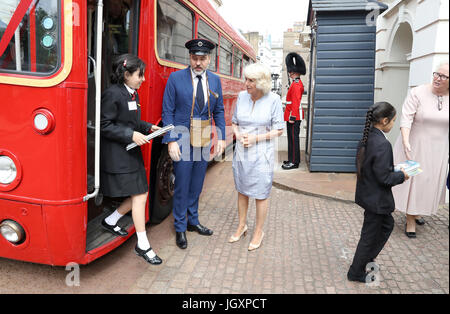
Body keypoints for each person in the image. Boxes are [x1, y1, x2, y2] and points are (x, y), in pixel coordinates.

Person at [162, 39, 226, 250]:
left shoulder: (215, 81)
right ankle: (180, 227)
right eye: (194, 58)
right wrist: (171, 139)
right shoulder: (175, 78)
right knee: (182, 184)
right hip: (181, 136)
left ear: (209, 59)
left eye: (202, 58)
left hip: (204, 135)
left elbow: (219, 111)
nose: (198, 62)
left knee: (198, 183)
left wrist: (222, 137)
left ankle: (193, 221)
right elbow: (168, 111)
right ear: (189, 57)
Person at [100, 54, 163, 265]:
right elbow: (104, 125)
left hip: (129, 152)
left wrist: (147, 127)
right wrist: (131, 135)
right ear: (126, 75)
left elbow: (131, 122)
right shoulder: (112, 94)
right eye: (140, 75)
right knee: (140, 194)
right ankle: (143, 244)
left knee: (140, 194)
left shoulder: (131, 93)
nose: (143, 79)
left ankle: (111, 220)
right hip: (119, 155)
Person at [347, 102, 409, 283]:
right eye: (393, 121)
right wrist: (402, 175)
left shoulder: (367, 137)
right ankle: (356, 271)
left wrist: (393, 168)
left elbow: (373, 167)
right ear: (384, 121)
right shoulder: (382, 144)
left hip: (369, 195)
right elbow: (385, 178)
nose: (393, 125)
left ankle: (366, 259)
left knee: (386, 226)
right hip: (377, 199)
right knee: (369, 236)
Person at [229, 63, 284, 251]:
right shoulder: (241, 97)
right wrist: (237, 134)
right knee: (242, 191)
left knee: (261, 194)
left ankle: (259, 231)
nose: (246, 83)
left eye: (251, 80)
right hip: (242, 153)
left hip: (262, 154)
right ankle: (241, 225)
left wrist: (255, 138)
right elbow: (234, 122)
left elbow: (279, 130)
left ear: (261, 82)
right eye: (246, 79)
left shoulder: (274, 100)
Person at [392, 61, 449, 238]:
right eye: (436, 74)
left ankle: (417, 212)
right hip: (415, 146)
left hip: (439, 149)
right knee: (414, 182)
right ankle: (410, 218)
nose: (437, 78)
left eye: (443, 76)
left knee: (429, 182)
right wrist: (406, 141)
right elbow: (406, 119)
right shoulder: (417, 92)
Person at [282, 52, 306, 170]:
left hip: (294, 116)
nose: (289, 73)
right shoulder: (295, 83)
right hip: (292, 115)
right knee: (291, 139)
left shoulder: (296, 84)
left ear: (295, 72)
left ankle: (294, 162)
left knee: (293, 139)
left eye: (291, 71)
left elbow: (296, 102)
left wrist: (292, 117)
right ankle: (292, 159)